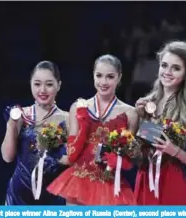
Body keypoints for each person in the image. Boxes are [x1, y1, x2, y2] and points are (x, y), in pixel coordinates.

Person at [46, 54, 139, 205]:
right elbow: (71, 154)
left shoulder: (130, 113)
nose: (103, 82)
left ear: (119, 78)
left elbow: (131, 156)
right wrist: (52, 151)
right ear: (93, 76)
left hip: (110, 185)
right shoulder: (78, 108)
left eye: (110, 77)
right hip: (79, 183)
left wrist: (120, 159)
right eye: (99, 76)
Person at [134, 41, 186, 205]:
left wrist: (175, 151)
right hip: (145, 180)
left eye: (176, 68)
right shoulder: (146, 103)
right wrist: (138, 119)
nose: (168, 72)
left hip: (172, 183)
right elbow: (137, 153)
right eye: (164, 65)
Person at [1, 61, 68, 205]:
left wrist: (57, 157)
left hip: (52, 198)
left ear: (59, 85)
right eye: (37, 84)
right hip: (18, 199)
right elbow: (7, 157)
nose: (42, 90)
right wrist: (11, 125)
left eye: (49, 84)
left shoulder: (68, 119)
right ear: (30, 84)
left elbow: (73, 161)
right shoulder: (22, 115)